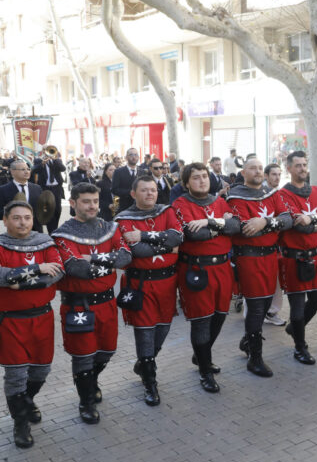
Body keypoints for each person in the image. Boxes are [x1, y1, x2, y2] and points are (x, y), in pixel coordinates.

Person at [53, 182, 132, 425]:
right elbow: (76, 268)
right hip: (78, 305)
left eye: (95, 201)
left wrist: (95, 258)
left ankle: (90, 381)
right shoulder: (62, 235)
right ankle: (86, 400)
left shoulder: (110, 227)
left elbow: (126, 257)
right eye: (86, 202)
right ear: (73, 203)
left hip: (107, 302)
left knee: (107, 350)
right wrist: (108, 263)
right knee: (83, 355)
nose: (92, 206)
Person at [0, 201, 64, 448]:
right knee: (16, 375)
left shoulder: (44, 242)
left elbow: (57, 272)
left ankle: (26, 401)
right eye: (16, 218)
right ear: (6, 220)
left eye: (27, 217)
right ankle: (20, 421)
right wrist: (36, 268)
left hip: (42, 317)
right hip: (10, 321)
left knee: (41, 370)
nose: (22, 223)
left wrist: (18, 281)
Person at [115, 175, 183, 406]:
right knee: (145, 331)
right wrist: (167, 246)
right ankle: (150, 380)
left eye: (153, 190)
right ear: (134, 194)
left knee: (162, 329)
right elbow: (137, 251)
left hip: (167, 282)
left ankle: (144, 362)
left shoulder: (167, 211)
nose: (150, 194)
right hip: (141, 284)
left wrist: (145, 236)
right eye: (144, 190)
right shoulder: (123, 219)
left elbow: (178, 237)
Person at [173, 163, 240, 393]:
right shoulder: (180, 204)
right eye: (196, 178)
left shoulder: (220, 201)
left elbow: (236, 226)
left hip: (222, 267)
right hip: (196, 270)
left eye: (204, 176)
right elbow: (194, 234)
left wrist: (211, 222)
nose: (202, 181)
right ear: (186, 183)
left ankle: (200, 356)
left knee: (220, 316)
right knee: (201, 321)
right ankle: (205, 369)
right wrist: (222, 225)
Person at [227, 158, 292, 376]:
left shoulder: (272, 194)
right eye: (252, 168)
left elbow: (287, 218)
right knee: (255, 307)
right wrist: (272, 224)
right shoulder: (236, 197)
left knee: (265, 305)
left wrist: (265, 222)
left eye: (259, 168)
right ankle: (255, 358)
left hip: (270, 257)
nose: (257, 171)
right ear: (243, 172)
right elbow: (246, 228)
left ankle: (248, 340)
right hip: (249, 257)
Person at [278, 150, 317, 365]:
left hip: (314, 256)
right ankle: (300, 347)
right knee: (297, 308)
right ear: (289, 168)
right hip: (293, 259)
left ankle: (294, 328)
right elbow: (296, 225)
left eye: (304, 164)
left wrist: (310, 219)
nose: (302, 169)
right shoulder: (282, 195)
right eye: (297, 165)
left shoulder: (316, 191)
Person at [264, 163, 287, 326]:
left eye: (279, 174)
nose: (277, 177)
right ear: (266, 176)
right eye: (273, 174)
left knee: (276, 281)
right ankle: (256, 313)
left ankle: (272, 312)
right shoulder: (260, 194)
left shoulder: (278, 194)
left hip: (276, 246)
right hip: (258, 246)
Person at [0, 160, 43, 233]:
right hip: (15, 232)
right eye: (23, 169)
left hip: (36, 231)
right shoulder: (3, 190)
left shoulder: (37, 188)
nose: (27, 172)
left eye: (28, 169)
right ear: (12, 171)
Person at [32, 148, 66, 233]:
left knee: (57, 209)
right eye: (45, 151)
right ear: (43, 152)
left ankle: (54, 228)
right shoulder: (38, 160)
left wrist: (55, 160)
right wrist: (42, 163)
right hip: (45, 188)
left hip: (56, 188)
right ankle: (52, 231)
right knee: (49, 209)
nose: (48, 153)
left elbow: (63, 169)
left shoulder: (57, 160)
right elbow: (34, 170)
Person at [111, 148, 142, 213]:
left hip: (140, 208)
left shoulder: (142, 172)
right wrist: (130, 192)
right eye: (131, 155)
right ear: (126, 157)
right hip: (124, 208)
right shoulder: (118, 172)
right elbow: (114, 189)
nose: (134, 157)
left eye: (136, 155)